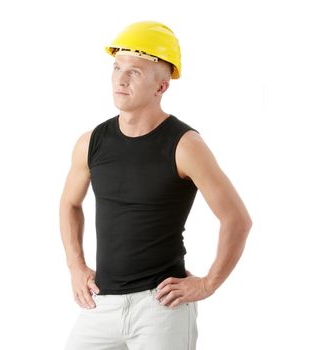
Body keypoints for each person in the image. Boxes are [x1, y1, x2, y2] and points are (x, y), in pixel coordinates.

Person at [59, 20, 252, 350]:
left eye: (134, 72)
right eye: (117, 67)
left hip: (161, 307)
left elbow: (237, 219)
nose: (120, 78)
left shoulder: (185, 146)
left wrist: (208, 284)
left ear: (161, 87)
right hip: (100, 301)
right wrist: (76, 266)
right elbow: (69, 204)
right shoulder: (91, 143)